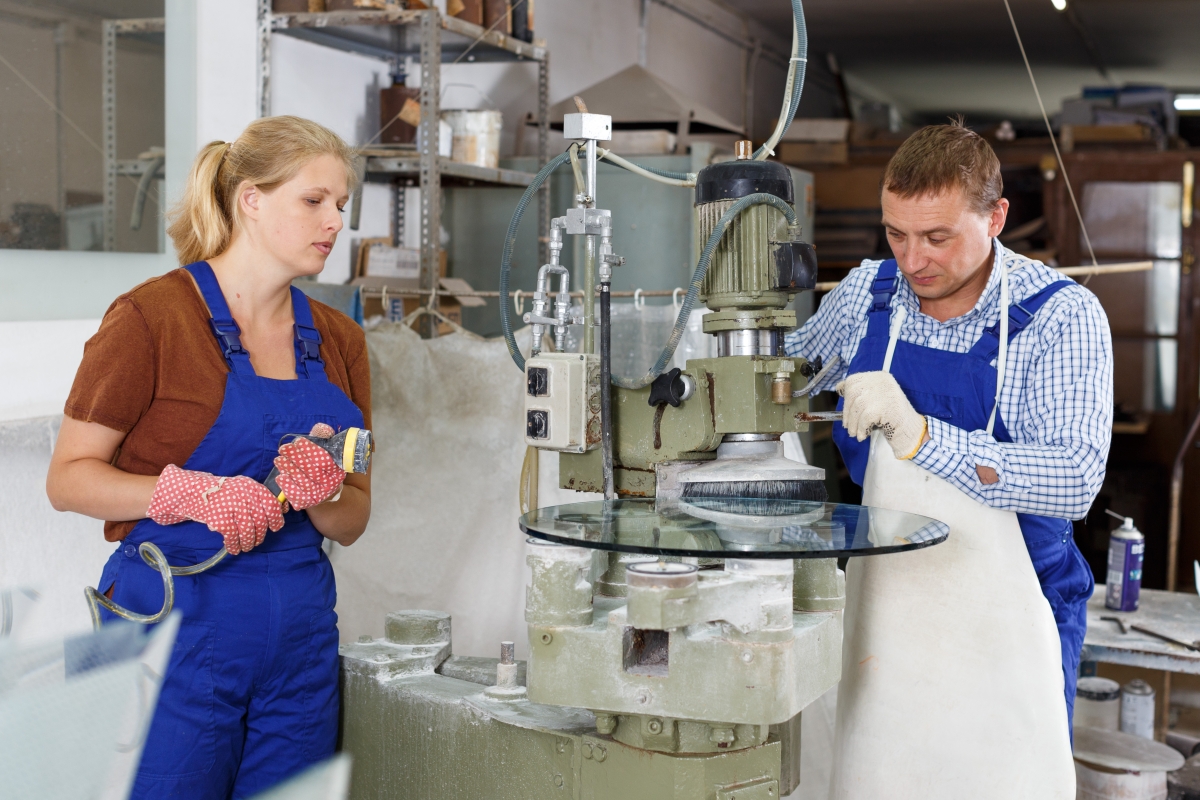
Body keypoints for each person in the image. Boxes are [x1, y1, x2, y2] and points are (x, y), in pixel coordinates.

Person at [46, 115, 372, 799]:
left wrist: (326, 494)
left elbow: (354, 519)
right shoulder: (152, 319)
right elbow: (68, 479)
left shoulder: (340, 339)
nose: (335, 221)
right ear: (250, 199)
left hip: (300, 643)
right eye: (314, 201)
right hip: (173, 625)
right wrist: (187, 494)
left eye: (342, 204)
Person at [786, 122, 1111, 797]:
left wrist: (921, 437)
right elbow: (780, 384)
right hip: (886, 602)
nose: (913, 260)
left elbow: (1074, 480)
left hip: (1013, 608)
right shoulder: (867, 294)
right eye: (896, 234)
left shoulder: (1058, 317)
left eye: (937, 237)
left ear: (995, 217)